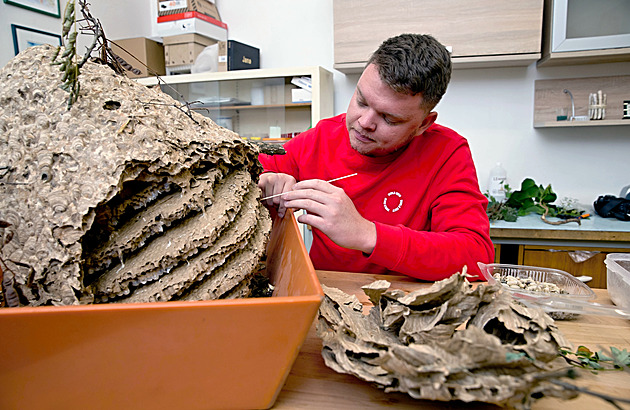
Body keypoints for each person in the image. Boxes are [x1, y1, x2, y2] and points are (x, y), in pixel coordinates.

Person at [257, 33, 494, 281]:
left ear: (424, 124)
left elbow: (476, 257)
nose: (364, 123)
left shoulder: (447, 152)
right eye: (361, 101)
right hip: (327, 296)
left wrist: (367, 234)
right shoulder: (321, 138)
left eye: (389, 118)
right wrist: (268, 179)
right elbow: (248, 173)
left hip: (405, 304)